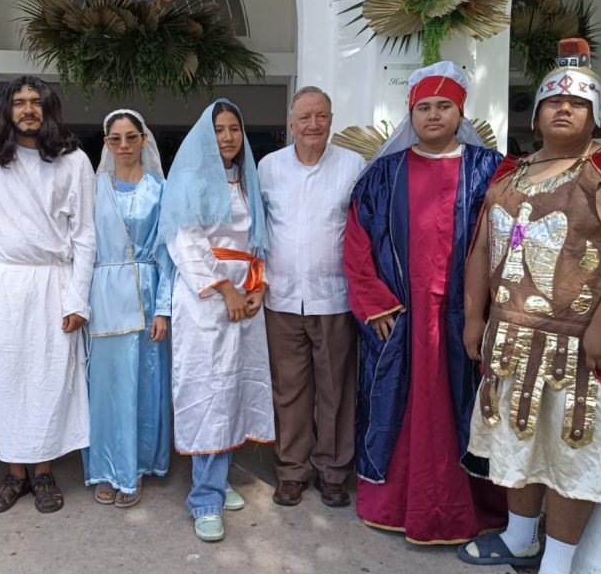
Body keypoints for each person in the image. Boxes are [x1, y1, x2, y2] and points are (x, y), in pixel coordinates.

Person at [458, 39, 601, 574]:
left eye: (577, 103)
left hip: (575, 347)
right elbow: (480, 250)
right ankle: (520, 539)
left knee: (574, 456)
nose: (564, 109)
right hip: (509, 339)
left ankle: (558, 562)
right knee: (514, 446)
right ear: (538, 111)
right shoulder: (509, 176)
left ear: (594, 115)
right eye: (553, 101)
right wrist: (473, 317)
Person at [343, 61, 507, 544]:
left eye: (444, 106)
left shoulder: (492, 172)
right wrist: (375, 304)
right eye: (423, 107)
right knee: (397, 407)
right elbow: (355, 245)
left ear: (461, 113)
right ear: (409, 114)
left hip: (467, 316)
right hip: (400, 318)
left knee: (465, 408)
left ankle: (469, 509)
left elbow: (517, 241)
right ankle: (394, 503)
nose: (433, 115)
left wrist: (498, 309)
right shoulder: (382, 176)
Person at [0, 76, 95, 514]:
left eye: (36, 102)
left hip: (52, 283)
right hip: (2, 282)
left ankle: (43, 473)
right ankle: (14, 474)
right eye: (19, 102)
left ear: (49, 108)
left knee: (48, 379)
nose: (28, 109)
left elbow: (84, 235)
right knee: (6, 380)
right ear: (7, 109)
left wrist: (77, 298)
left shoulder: (74, 160)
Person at [159, 99, 275, 542]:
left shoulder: (247, 179)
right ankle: (203, 498)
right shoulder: (188, 178)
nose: (227, 137)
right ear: (205, 136)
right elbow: (184, 240)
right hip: (206, 299)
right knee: (208, 393)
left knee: (235, 391)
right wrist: (225, 289)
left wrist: (256, 287)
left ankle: (218, 478)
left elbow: (259, 240)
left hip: (245, 296)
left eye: (234, 129)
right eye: (219, 130)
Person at [257, 87, 365, 507]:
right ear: (290, 124)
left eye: (321, 116)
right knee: (289, 389)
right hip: (281, 297)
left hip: (334, 297)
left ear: (331, 119)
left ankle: (333, 470)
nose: (313, 125)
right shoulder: (268, 168)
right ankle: (292, 469)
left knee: (336, 390)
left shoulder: (353, 166)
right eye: (305, 117)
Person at [82, 109, 174, 507]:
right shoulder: (91, 188)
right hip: (103, 296)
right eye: (115, 138)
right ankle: (106, 466)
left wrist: (163, 309)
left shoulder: (161, 188)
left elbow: (169, 253)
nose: (123, 145)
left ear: (144, 140)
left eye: (131, 137)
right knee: (106, 388)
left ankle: (134, 466)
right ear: (105, 143)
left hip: (147, 294)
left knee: (144, 384)